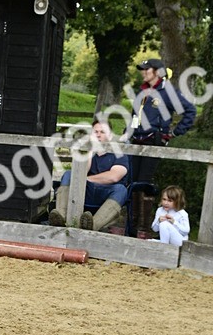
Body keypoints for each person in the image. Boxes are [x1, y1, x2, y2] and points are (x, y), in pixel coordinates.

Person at [49, 119, 130, 231]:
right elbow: (80, 172)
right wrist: (90, 150)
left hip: (106, 194)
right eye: (95, 132)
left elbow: (114, 177)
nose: (98, 135)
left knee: (121, 190)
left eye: (102, 132)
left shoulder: (119, 154)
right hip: (86, 191)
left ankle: (93, 224)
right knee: (68, 174)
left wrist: (86, 178)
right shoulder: (86, 151)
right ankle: (60, 217)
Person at [130, 58, 197, 186]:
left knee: (142, 183)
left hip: (153, 141)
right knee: (130, 181)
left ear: (157, 72)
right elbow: (135, 115)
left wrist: (175, 132)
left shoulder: (168, 92)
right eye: (142, 70)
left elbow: (190, 111)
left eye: (146, 69)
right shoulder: (142, 91)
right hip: (136, 140)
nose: (143, 72)